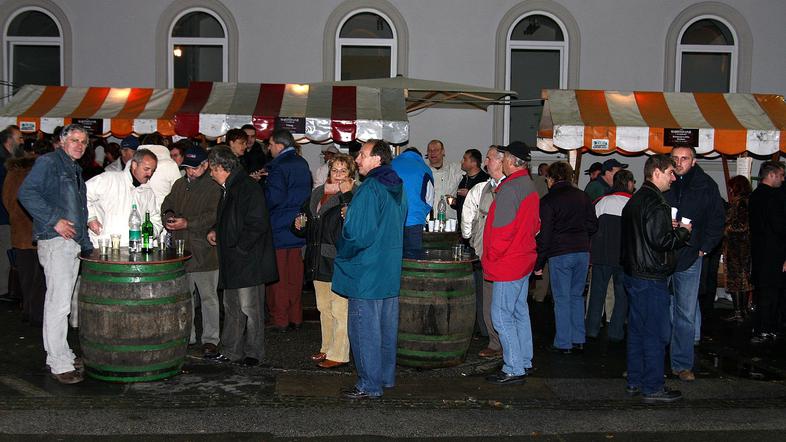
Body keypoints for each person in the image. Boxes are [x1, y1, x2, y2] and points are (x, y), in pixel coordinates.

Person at [18, 123, 93, 384]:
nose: (79, 145)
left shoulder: (73, 168)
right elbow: (26, 193)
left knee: (61, 303)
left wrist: (85, 237)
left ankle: (63, 352)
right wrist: (55, 221)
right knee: (58, 305)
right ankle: (58, 362)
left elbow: (74, 207)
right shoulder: (50, 162)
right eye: (74, 140)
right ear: (61, 141)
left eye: (83, 141)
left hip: (69, 243)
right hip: (56, 241)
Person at [333, 139, 406, 400]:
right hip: (388, 271)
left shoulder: (369, 189)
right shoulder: (398, 186)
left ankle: (368, 384)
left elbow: (357, 235)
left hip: (366, 273)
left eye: (362, 155)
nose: (357, 160)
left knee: (364, 331)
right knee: (385, 330)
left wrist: (343, 246)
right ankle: (384, 377)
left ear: (378, 159)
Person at [621, 154, 691, 403]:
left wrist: (666, 228)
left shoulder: (636, 200)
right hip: (650, 277)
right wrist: (682, 232)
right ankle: (653, 386)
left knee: (638, 330)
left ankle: (635, 380)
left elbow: (644, 235)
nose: (674, 177)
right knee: (655, 333)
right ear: (657, 172)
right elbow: (662, 242)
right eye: (671, 172)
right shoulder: (655, 202)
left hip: (634, 274)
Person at [207, 146, 278, 366]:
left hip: (247, 261)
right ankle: (231, 351)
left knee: (251, 310)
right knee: (232, 308)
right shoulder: (231, 186)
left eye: (212, 169)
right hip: (235, 260)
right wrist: (216, 230)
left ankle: (254, 353)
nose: (210, 174)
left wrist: (239, 249)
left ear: (221, 167)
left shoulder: (246, 187)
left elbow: (257, 224)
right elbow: (230, 220)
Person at [663, 146, 724, 382]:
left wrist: (704, 247)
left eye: (684, 159)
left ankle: (681, 364)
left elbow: (717, 219)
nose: (679, 162)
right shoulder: (664, 179)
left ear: (694, 161)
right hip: (663, 255)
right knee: (659, 310)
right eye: (676, 159)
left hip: (689, 256)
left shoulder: (706, 185)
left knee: (685, 314)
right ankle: (654, 361)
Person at [482, 141, 540, 385]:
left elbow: (502, 231)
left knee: (501, 316)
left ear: (512, 161)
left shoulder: (511, 188)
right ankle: (524, 360)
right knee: (519, 313)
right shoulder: (530, 186)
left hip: (508, 263)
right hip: (524, 259)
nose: (501, 160)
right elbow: (536, 225)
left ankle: (514, 366)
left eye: (504, 157)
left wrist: (492, 257)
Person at [293, 154, 357, 369]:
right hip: (315, 258)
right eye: (334, 170)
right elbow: (303, 221)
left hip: (339, 259)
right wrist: (298, 225)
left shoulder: (352, 195)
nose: (337, 175)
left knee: (340, 309)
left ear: (350, 175)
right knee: (323, 307)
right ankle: (326, 347)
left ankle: (339, 354)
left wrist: (347, 197)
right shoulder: (317, 193)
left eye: (343, 171)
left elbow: (355, 226)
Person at [161, 146, 223, 358]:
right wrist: (168, 216)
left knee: (208, 299)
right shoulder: (180, 184)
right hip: (182, 251)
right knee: (184, 298)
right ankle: (188, 335)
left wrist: (187, 223)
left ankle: (211, 339)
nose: (190, 171)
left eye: (195, 168)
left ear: (206, 165)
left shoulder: (214, 187)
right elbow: (167, 203)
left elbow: (213, 215)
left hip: (204, 252)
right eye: (187, 167)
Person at [535, 161, 598, 354]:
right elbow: (593, 226)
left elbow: (544, 235)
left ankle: (563, 343)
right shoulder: (583, 196)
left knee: (561, 298)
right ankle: (578, 338)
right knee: (576, 296)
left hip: (560, 253)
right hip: (581, 252)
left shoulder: (547, 201)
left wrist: (539, 262)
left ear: (551, 178)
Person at [264, 129, 312, 331]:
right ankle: (296, 316)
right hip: (298, 226)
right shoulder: (302, 163)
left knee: (279, 278)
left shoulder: (278, 167)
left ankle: (280, 319)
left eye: (271, 144)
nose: (268, 148)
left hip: (279, 227)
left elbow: (273, 198)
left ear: (279, 146)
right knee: (295, 276)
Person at [461, 145, 505, 358]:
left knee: (505, 303)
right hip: (486, 253)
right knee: (489, 300)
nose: (485, 162)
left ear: (501, 161)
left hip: (507, 255)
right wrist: (474, 242)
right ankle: (496, 342)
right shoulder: (483, 188)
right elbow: (467, 220)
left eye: (489, 158)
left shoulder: (510, 188)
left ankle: (506, 346)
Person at [3, 140, 52, 324]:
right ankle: (36, 313)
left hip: (19, 231)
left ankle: (28, 309)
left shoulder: (13, 172)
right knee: (40, 276)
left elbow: (7, 200)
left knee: (26, 275)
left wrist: (16, 217)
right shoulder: (41, 172)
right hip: (38, 230)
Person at [586, 170, 635, 342]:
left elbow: (590, 226)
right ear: (628, 183)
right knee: (622, 296)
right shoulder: (634, 204)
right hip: (624, 258)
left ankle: (591, 329)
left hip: (602, 256)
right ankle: (616, 332)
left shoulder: (603, 201)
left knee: (597, 294)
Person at [85, 149, 161, 246]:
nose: (150, 174)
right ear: (134, 165)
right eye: (146, 169)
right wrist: (91, 218)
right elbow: (82, 194)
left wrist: (148, 234)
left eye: (152, 170)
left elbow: (155, 219)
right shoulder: (109, 179)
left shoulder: (148, 192)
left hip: (135, 250)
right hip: (104, 246)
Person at [748, 161, 786, 344]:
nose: (782, 179)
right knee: (772, 293)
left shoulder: (755, 196)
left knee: (763, 291)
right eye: (781, 175)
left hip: (759, 251)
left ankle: (762, 327)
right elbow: (779, 226)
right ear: (771, 175)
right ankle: (767, 327)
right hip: (774, 252)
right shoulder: (774, 197)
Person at [391, 147, 433, 258]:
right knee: (412, 260)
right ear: (419, 156)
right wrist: (421, 214)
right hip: (414, 222)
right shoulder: (425, 169)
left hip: (391, 220)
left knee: (391, 258)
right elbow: (429, 199)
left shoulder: (391, 165)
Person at [722, 175, 753, 323]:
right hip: (740, 248)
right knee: (741, 280)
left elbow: (742, 225)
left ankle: (739, 311)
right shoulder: (745, 202)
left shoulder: (741, 203)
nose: (730, 189)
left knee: (737, 280)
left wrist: (725, 228)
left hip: (737, 249)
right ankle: (742, 311)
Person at [0, 126, 22, 302]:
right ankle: (3, 290)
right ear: (9, 140)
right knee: (5, 253)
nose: (21, 141)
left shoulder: (8, 161)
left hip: (5, 215)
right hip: (4, 217)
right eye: (19, 137)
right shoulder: (6, 163)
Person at [451, 148, 489, 226]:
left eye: (465, 159)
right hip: (463, 227)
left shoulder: (485, 180)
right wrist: (454, 202)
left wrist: (469, 194)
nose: (461, 162)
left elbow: (487, 203)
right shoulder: (464, 180)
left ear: (474, 163)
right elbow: (462, 205)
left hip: (478, 228)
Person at [139, 141, 182, 207]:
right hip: (163, 211)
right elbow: (179, 192)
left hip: (140, 209)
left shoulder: (133, 162)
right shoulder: (169, 164)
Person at [427, 139, 463, 219]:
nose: (432, 153)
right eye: (430, 150)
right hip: (429, 220)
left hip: (450, 220)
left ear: (443, 152)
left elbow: (474, 171)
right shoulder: (423, 171)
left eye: (436, 150)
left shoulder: (454, 169)